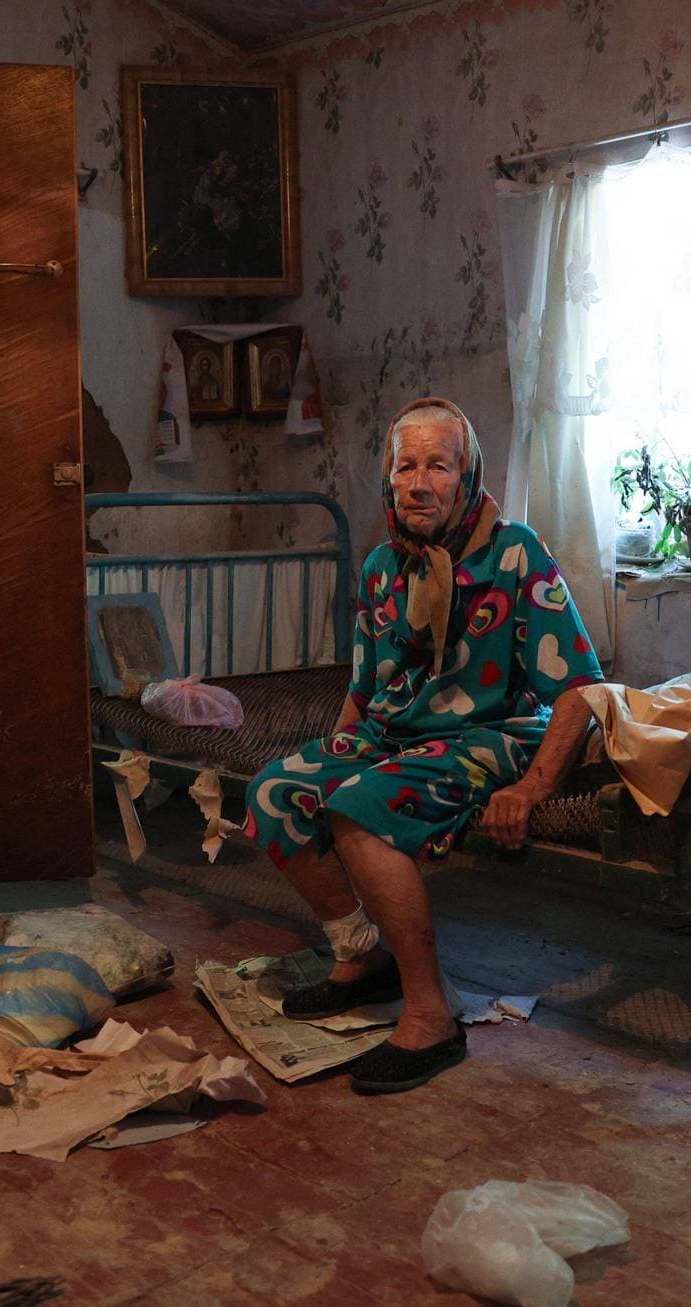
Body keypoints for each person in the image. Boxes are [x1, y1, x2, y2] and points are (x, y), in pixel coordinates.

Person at [240, 397, 603, 1094]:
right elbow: (362, 684)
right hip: (395, 733)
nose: (419, 482)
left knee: (360, 809)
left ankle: (432, 1016)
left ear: (467, 478)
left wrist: (532, 788)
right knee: (275, 792)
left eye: (439, 465)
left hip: (488, 736)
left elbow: (581, 687)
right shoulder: (383, 565)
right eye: (406, 465)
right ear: (388, 479)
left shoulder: (515, 552)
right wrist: (336, 749)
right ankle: (359, 955)